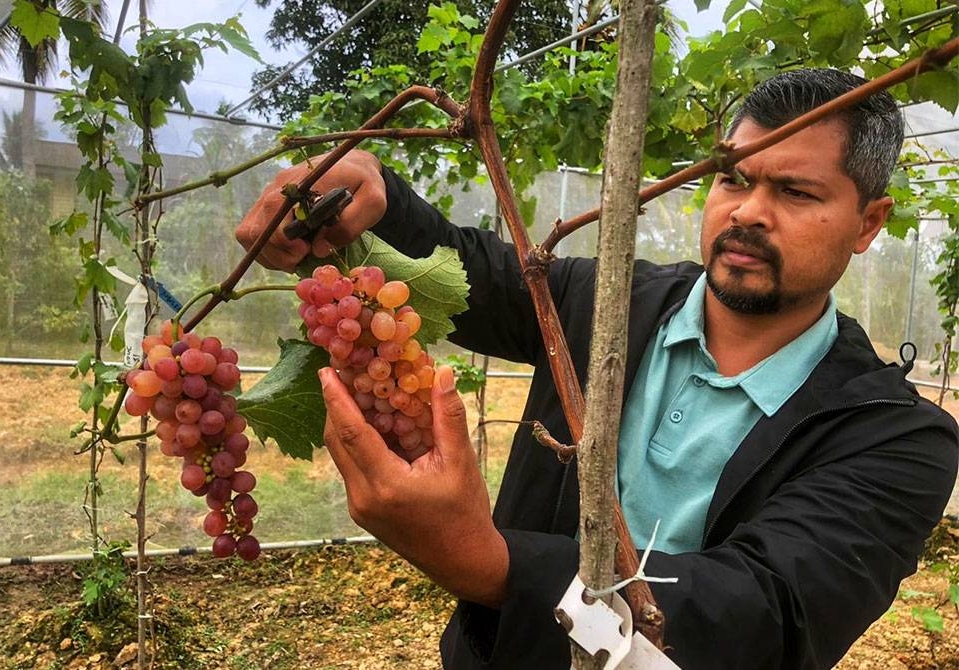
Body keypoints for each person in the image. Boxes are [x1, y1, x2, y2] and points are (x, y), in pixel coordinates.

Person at [237, 68, 959, 669]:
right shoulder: (604, 301)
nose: (748, 213)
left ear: (869, 222)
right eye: (732, 179)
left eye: (796, 193)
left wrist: (493, 565)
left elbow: (767, 612)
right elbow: (474, 269)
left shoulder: (895, 437)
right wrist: (378, 192)